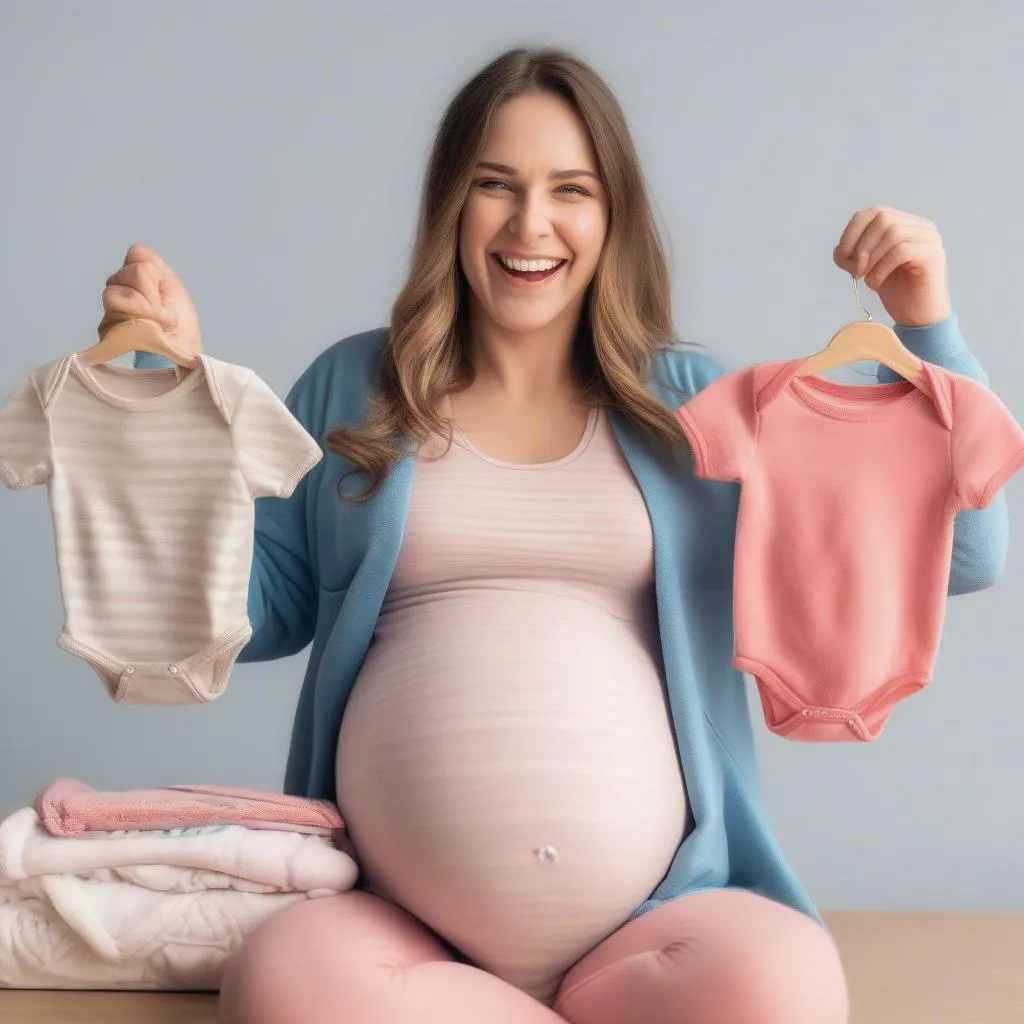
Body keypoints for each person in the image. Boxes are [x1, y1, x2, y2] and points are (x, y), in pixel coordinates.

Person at [104, 46, 1008, 1024]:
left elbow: (960, 553)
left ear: (610, 214)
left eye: (568, 190)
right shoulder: (353, 388)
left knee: (783, 985)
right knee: (281, 979)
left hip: (655, 932)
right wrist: (172, 403)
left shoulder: (696, 404)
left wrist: (928, 331)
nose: (530, 224)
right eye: (495, 185)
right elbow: (242, 612)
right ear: (451, 203)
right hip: (392, 928)